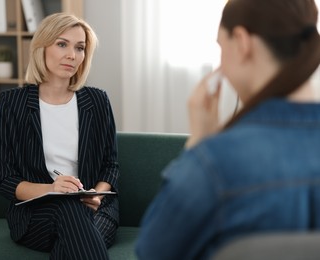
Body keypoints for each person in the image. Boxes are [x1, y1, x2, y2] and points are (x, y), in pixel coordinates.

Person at [135, 0, 320, 259]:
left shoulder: (214, 162)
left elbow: (152, 253)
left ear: (242, 42)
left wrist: (198, 143)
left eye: (221, 46)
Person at [0, 13, 119, 260]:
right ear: (42, 47)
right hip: (37, 214)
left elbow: (110, 166)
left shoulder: (97, 100)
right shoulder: (11, 104)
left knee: (74, 227)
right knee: (70, 210)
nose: (72, 55)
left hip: (95, 209)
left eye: (80, 48)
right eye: (62, 44)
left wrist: (96, 194)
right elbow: (6, 180)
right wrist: (52, 188)